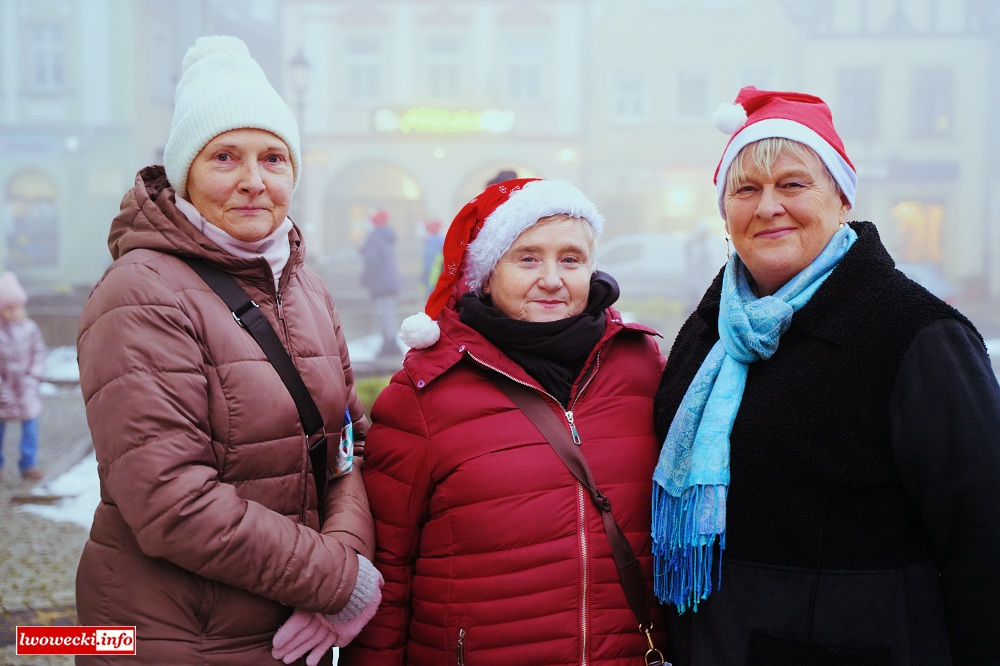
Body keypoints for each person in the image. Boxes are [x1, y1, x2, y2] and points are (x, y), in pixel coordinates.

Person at [651, 86, 1000, 665]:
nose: (768, 206)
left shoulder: (917, 335)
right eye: (746, 189)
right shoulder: (704, 335)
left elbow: (983, 541)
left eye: (792, 184)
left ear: (841, 199)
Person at [75, 35, 379, 665]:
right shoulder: (141, 292)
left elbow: (347, 449)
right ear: (184, 174)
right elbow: (171, 501)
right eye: (224, 157)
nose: (253, 182)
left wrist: (342, 567)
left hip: (287, 626)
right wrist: (337, 581)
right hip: (176, 636)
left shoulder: (306, 287)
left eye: (273, 158)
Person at [341, 178, 669, 664]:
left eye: (571, 259)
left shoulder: (642, 365)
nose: (552, 279)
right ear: (488, 275)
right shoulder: (425, 392)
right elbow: (388, 572)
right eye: (528, 258)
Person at [0, 271, 47, 483]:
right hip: (3, 389)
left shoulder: (30, 328)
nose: (14, 312)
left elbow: (39, 353)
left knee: (30, 428)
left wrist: (33, 376)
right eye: (9, 308)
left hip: (26, 387)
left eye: (17, 307)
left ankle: (29, 464)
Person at [359, 207, 401, 357]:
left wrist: (364, 278)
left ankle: (391, 344)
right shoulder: (385, 238)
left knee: (385, 315)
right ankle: (388, 342)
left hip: (381, 284)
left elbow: (373, 262)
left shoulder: (374, 239)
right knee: (387, 313)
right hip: (388, 282)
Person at [419, 218, 444, 295]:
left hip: (435, 267)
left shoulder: (436, 240)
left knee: (432, 284)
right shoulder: (432, 239)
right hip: (433, 267)